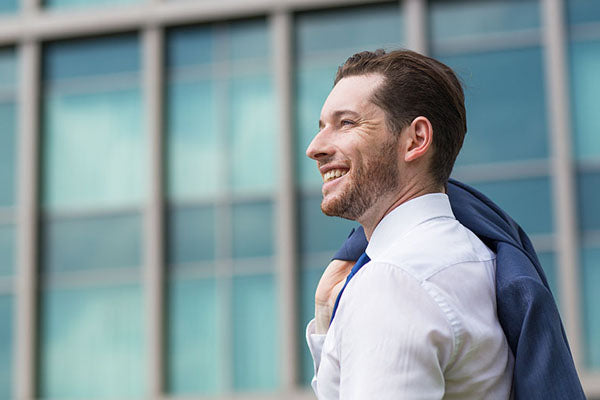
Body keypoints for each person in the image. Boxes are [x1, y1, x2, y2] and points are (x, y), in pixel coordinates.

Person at [304, 49, 515, 399]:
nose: (316, 147)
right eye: (322, 127)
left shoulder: (394, 280)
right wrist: (328, 319)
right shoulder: (477, 253)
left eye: (346, 123)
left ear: (415, 140)